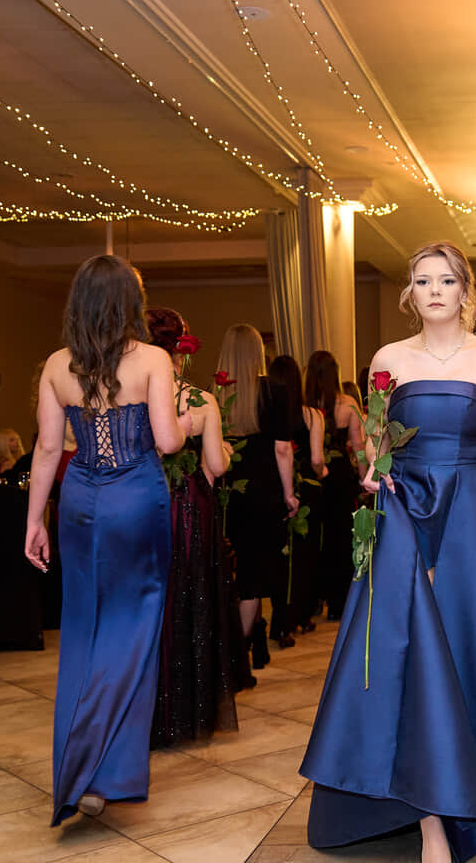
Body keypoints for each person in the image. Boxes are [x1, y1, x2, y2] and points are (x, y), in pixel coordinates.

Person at [300, 242, 476, 863]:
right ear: (410, 292)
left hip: (475, 517)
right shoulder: (387, 359)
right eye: (423, 280)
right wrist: (373, 469)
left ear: (466, 291)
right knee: (408, 657)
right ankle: (430, 819)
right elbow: (376, 443)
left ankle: (474, 801)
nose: (435, 290)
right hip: (405, 513)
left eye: (447, 281)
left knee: (467, 651)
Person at [23, 254, 186, 824]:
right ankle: (104, 772)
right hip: (136, 499)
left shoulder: (56, 364)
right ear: (129, 302)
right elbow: (167, 441)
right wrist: (188, 421)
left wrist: (34, 521)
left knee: (84, 630)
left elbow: (49, 448)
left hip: (79, 501)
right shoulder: (153, 359)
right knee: (133, 630)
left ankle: (80, 770)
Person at [145, 306, 242, 746]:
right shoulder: (201, 400)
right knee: (191, 599)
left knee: (152, 603)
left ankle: (149, 713)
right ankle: (188, 712)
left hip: (148, 502)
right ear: (182, 351)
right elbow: (216, 467)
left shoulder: (135, 397)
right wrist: (224, 451)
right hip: (190, 508)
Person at [217, 324, 298, 671]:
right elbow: (283, 450)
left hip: (229, 493)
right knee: (253, 575)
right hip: (265, 492)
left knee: (241, 571)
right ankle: (241, 651)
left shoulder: (215, 394)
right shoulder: (275, 392)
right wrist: (290, 494)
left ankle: (254, 639)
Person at [304, 350, 365, 621]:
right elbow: (359, 446)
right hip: (340, 476)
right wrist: (363, 478)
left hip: (312, 475)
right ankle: (338, 603)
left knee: (315, 539)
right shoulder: (348, 404)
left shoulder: (304, 405)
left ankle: (313, 600)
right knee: (341, 540)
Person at [269, 354, 326, 637]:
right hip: (306, 488)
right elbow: (316, 459)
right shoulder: (313, 415)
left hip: (276, 486)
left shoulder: (265, 413)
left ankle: (281, 621)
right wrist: (323, 471)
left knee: (279, 557)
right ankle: (302, 615)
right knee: (306, 555)